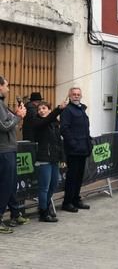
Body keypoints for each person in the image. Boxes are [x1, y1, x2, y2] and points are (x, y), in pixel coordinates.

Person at [0, 76, 29, 234]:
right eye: (6, 86)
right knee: (5, 185)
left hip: (8, 149)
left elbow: (9, 122)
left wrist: (18, 115)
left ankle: (15, 213)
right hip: (3, 150)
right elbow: (4, 126)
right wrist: (18, 117)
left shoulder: (2, 104)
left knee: (10, 184)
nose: (8, 89)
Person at [32, 101, 67, 222]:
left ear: (48, 109)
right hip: (43, 159)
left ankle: (45, 206)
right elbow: (47, 120)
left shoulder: (54, 123)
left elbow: (59, 141)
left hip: (54, 159)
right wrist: (58, 109)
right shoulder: (37, 121)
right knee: (44, 187)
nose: (41, 110)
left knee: (53, 185)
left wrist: (62, 158)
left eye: (44, 108)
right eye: (39, 109)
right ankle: (43, 212)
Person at [60, 87, 92, 212]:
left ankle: (76, 199)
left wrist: (89, 141)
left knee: (79, 177)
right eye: (74, 94)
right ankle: (67, 202)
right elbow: (64, 129)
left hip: (83, 148)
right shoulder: (67, 110)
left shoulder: (82, 109)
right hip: (73, 150)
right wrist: (73, 143)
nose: (76, 96)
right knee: (72, 177)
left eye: (78, 94)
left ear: (81, 96)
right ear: (69, 96)